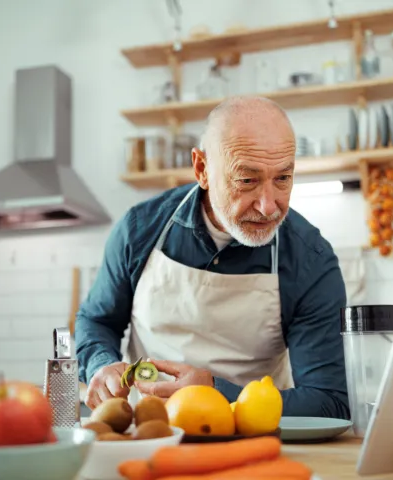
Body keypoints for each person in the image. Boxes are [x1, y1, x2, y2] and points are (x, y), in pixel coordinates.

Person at [75, 95, 350, 419]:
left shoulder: (310, 260)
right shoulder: (140, 230)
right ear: (202, 169)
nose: (269, 206)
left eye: (282, 179)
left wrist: (215, 392)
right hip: (147, 432)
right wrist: (103, 366)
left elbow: (328, 402)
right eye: (247, 180)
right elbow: (96, 321)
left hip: (255, 441)